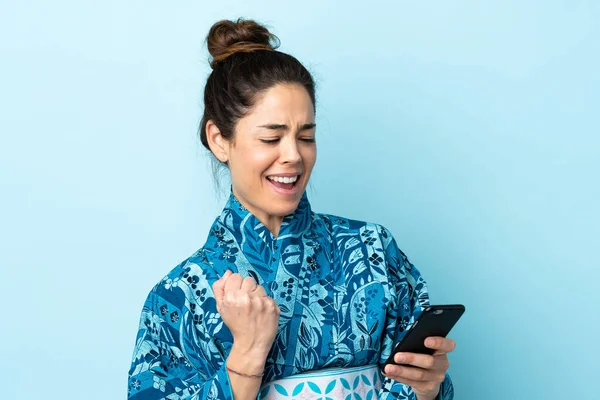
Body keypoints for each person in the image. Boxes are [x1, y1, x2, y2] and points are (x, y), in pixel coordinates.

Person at [127, 18, 457, 400]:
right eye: (271, 137)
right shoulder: (177, 296)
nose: (293, 156)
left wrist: (429, 387)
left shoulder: (373, 250)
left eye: (306, 137)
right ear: (219, 140)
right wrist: (247, 354)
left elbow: (421, 386)